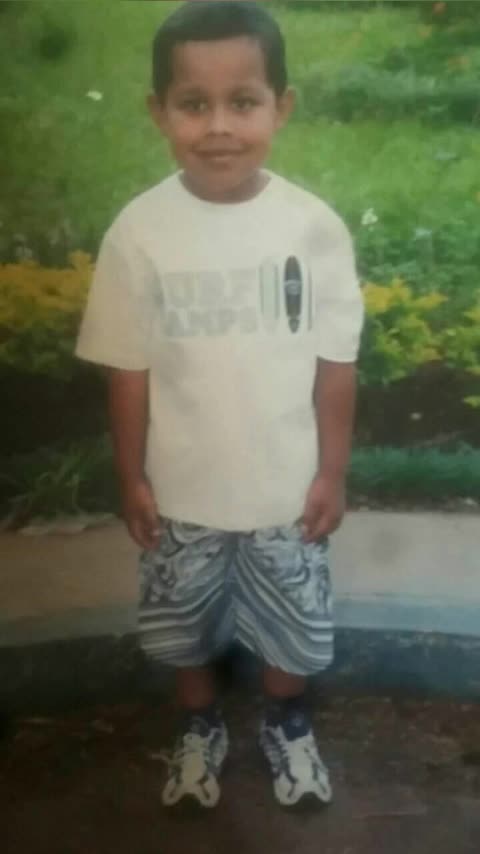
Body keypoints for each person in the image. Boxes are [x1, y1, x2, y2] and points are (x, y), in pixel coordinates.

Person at [76, 0, 364, 811]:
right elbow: (127, 370)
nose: (219, 127)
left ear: (282, 106)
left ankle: (286, 721)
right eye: (193, 103)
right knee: (183, 623)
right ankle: (199, 726)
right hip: (183, 491)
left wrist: (331, 473)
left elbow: (336, 364)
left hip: (285, 490)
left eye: (243, 101)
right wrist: (133, 478)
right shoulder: (140, 232)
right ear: (158, 111)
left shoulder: (312, 228)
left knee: (290, 623)